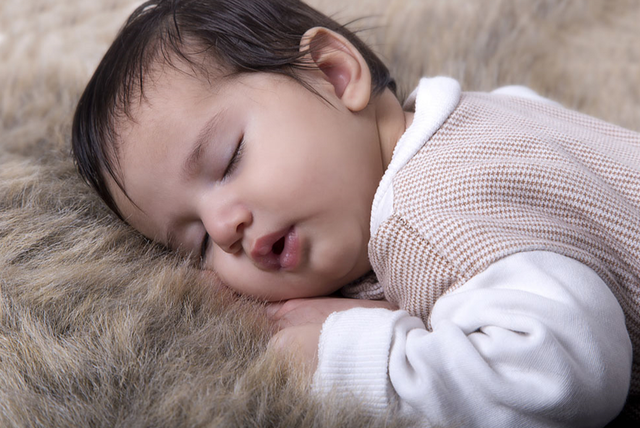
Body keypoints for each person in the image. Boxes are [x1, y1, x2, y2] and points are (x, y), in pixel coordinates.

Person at [72, 0, 639, 426]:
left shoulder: (426, 215)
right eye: (195, 244)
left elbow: (561, 371)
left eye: (228, 159)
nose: (225, 227)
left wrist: (349, 349)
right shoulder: (479, 114)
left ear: (334, 74)